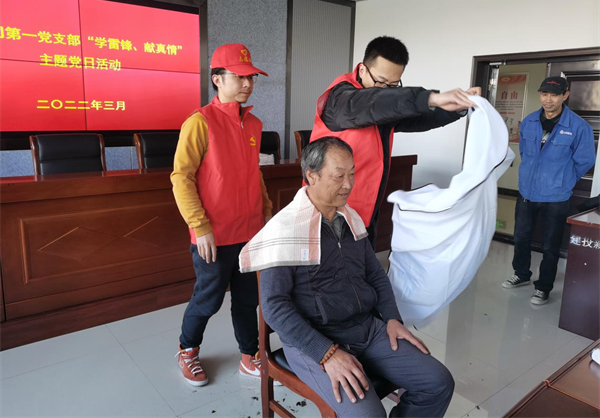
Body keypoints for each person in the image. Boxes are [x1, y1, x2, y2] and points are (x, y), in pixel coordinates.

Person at [255, 137, 454, 418]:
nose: (348, 184)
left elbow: (375, 275)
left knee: (437, 382)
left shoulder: (349, 219)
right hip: (314, 339)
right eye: (339, 176)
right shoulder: (284, 230)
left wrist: (392, 318)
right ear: (311, 175)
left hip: (365, 328)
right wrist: (325, 352)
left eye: (352, 174)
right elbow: (274, 306)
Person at [310, 35, 480, 249]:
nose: (384, 89)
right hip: (330, 213)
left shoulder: (384, 105)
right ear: (362, 70)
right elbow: (374, 103)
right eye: (380, 82)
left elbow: (416, 118)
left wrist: (456, 108)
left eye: (392, 85)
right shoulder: (341, 99)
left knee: (361, 264)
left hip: (366, 208)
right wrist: (431, 97)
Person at [171, 43, 273, 386]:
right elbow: (181, 177)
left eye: (252, 78)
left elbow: (254, 174)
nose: (247, 84)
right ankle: (187, 349)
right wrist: (199, 226)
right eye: (239, 77)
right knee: (208, 298)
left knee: (248, 300)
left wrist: (266, 214)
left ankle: (249, 355)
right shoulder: (200, 122)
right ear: (217, 79)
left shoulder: (254, 124)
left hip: (250, 232)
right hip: (213, 235)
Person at [502, 76, 595, 305]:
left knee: (550, 244)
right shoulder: (529, 121)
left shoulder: (578, 126)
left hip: (557, 195)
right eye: (544, 94)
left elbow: (585, 160)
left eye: (554, 95)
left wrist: (564, 179)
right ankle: (521, 274)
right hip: (527, 192)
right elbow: (526, 153)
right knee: (521, 237)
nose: (548, 100)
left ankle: (543, 287)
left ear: (565, 95)